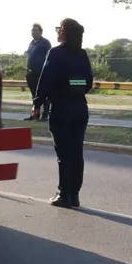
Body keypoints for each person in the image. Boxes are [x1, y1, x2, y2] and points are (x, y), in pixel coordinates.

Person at [31, 18, 93, 209]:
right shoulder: (82, 54)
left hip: (62, 109)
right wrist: (73, 84)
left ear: (65, 32)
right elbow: (88, 82)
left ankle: (64, 194)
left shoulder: (55, 53)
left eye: (59, 28)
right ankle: (74, 195)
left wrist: (37, 103)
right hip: (80, 108)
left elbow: (45, 80)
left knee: (64, 155)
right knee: (76, 153)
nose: (57, 31)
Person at [25, 23, 51, 121]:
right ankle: (35, 114)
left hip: (41, 73)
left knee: (43, 94)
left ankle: (45, 114)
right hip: (31, 73)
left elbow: (49, 57)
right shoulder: (31, 43)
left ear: (40, 32)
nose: (33, 32)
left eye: (35, 30)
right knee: (34, 96)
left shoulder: (45, 43)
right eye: (32, 30)